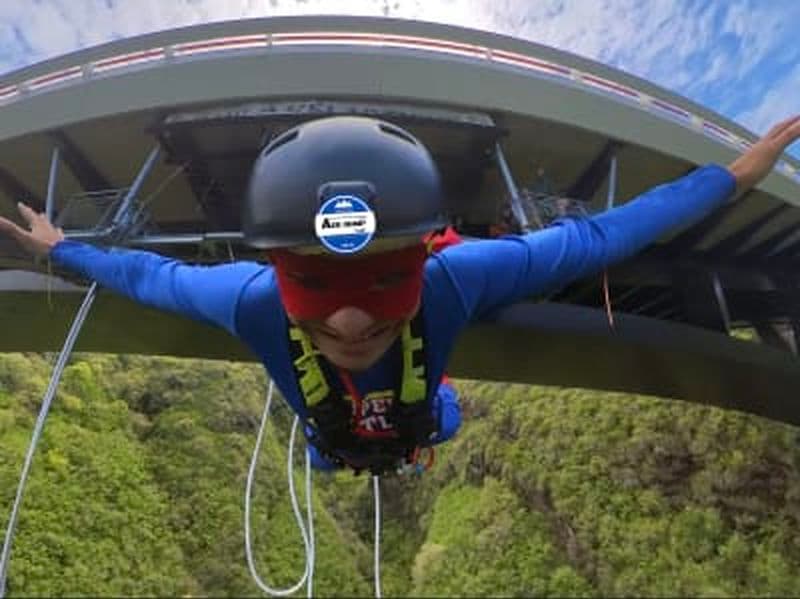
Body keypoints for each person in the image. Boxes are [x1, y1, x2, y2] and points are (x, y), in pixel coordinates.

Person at [1, 114, 799, 476]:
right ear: (283, 278)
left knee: (433, 424)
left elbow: (602, 238)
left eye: (386, 286)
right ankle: (393, 442)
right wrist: (63, 249)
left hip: (415, 415)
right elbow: (148, 276)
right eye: (317, 290)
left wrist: (727, 180)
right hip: (331, 430)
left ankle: (412, 440)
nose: (350, 319)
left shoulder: (458, 276)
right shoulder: (253, 302)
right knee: (330, 453)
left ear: (421, 263)